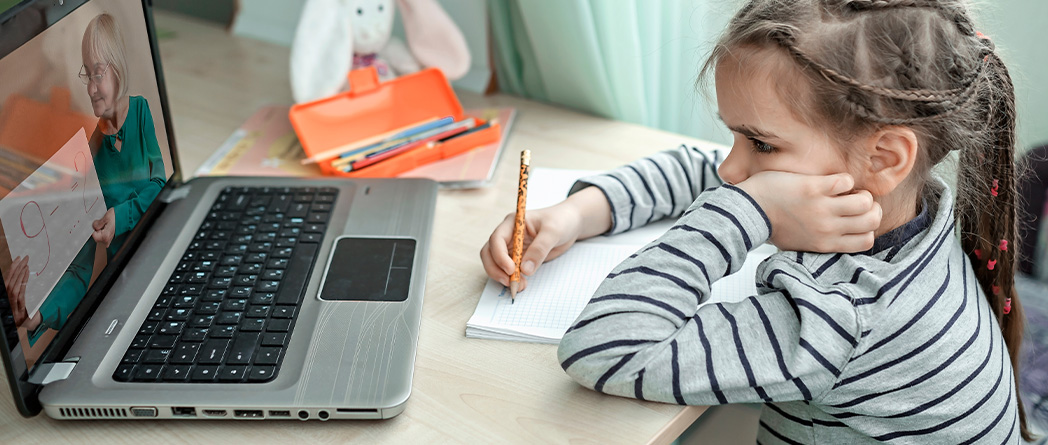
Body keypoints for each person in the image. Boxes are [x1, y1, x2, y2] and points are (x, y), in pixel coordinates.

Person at [479, 0, 1031, 442]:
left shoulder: (844, 319)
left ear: (885, 158)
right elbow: (705, 172)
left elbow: (604, 350)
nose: (730, 166)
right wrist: (578, 212)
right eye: (736, 136)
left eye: (761, 144)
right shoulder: (912, 205)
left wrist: (743, 212)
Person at [4, 13, 165, 340]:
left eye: (98, 74)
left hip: (162, 246)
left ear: (118, 68)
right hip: (129, 286)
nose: (91, 88)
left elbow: (159, 185)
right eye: (86, 75)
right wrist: (38, 316)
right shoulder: (90, 151)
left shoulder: (140, 112)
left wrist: (121, 216)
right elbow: (79, 267)